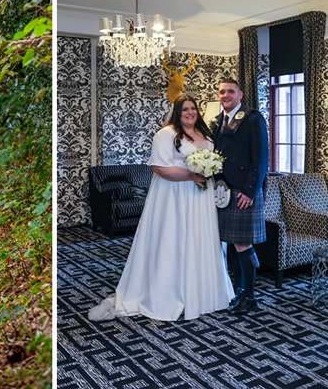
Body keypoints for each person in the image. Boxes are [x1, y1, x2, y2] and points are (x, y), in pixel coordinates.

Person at [89, 94, 234, 322]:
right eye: (185, 109)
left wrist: (207, 173)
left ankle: (204, 294)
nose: (190, 112)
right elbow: (159, 168)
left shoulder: (206, 133)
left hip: (201, 198)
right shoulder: (166, 134)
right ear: (177, 112)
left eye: (193, 108)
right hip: (174, 196)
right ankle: (170, 293)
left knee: (200, 239)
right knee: (173, 240)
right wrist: (191, 174)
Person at [213, 78, 269, 315]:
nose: (225, 95)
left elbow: (261, 158)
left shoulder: (253, 118)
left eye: (230, 92)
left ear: (240, 94)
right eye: (221, 92)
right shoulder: (217, 121)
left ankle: (250, 296)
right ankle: (238, 292)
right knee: (232, 242)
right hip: (224, 192)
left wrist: (250, 191)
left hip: (243, 192)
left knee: (242, 243)